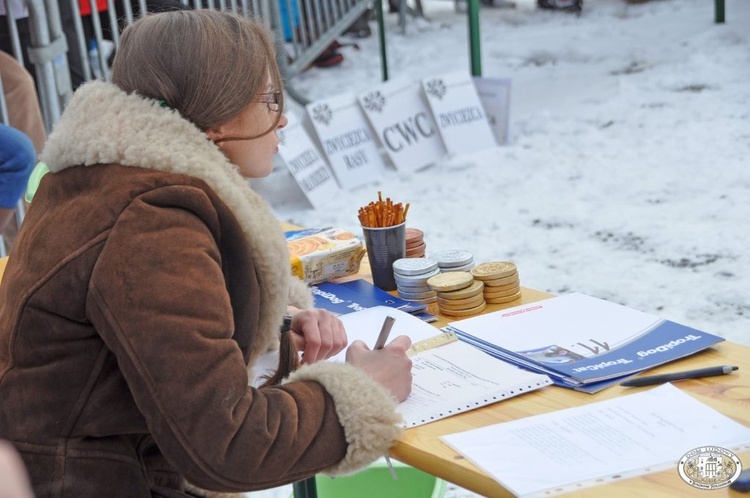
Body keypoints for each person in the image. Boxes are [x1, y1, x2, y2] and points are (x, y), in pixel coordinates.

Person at [0, 9, 412, 498]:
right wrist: (363, 393)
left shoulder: (107, 178)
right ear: (215, 118)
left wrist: (273, 324)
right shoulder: (151, 221)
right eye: (269, 97)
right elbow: (229, 445)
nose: (281, 117)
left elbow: (140, 342)